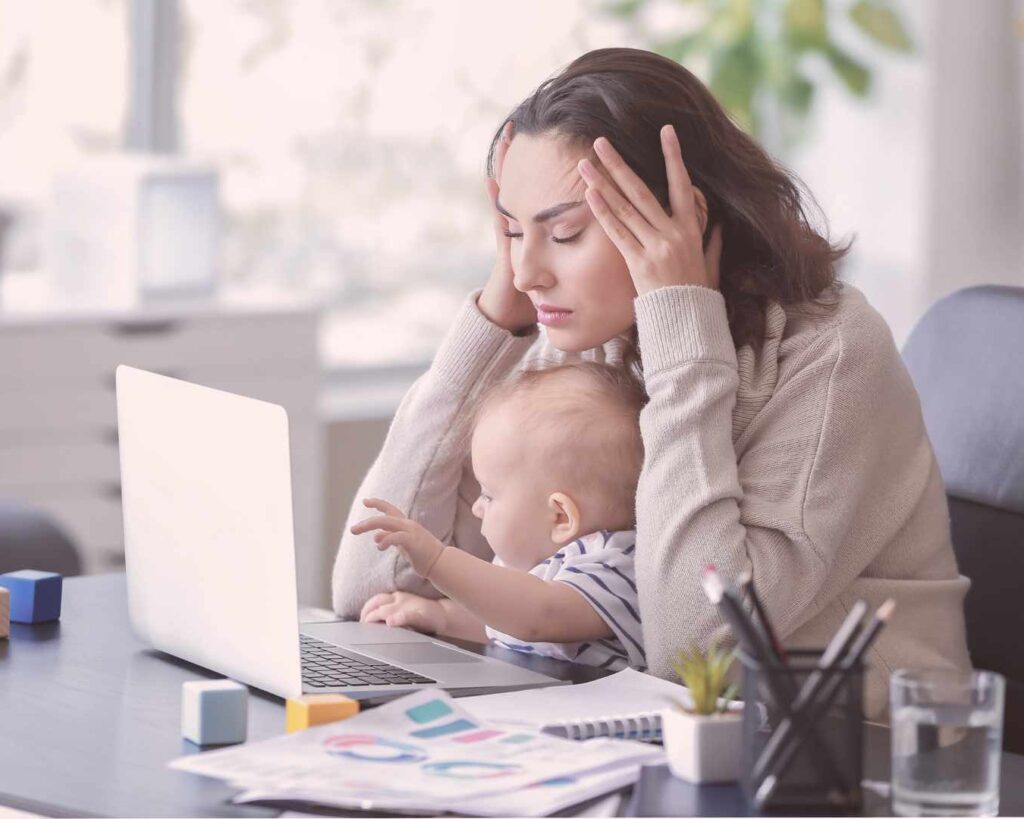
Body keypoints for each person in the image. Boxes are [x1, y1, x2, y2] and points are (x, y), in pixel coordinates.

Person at [332, 46, 971, 721]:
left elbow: (695, 650)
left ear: (683, 217)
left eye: (566, 233)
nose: (527, 271)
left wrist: (682, 337)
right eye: (514, 233)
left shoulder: (833, 353)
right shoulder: (591, 333)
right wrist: (493, 322)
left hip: (854, 753)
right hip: (644, 733)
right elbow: (370, 586)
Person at [350, 361, 647, 672]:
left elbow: (536, 617)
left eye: (489, 495)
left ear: (560, 517)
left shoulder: (615, 564)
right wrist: (440, 615)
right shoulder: (530, 572)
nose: (477, 508)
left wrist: (437, 560)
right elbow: (503, 624)